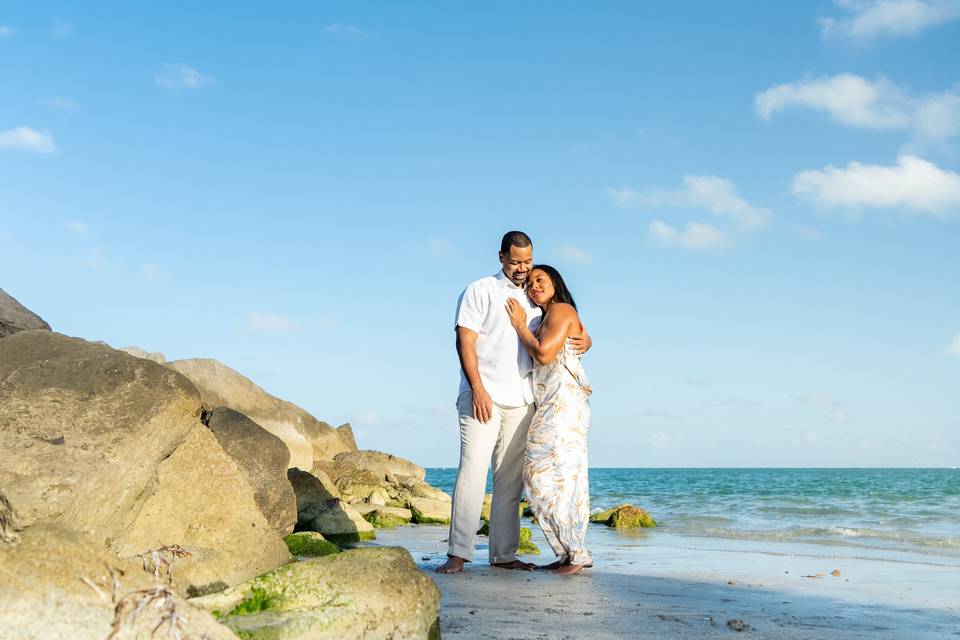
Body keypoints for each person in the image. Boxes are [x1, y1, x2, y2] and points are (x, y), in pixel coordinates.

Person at [437, 232, 591, 574]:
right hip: (483, 395)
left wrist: (586, 337)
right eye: (516, 261)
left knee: (509, 481)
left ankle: (503, 555)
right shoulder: (480, 290)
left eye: (528, 261)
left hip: (524, 400)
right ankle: (459, 553)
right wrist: (477, 388)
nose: (523, 269)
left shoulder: (536, 294)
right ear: (501, 257)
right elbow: (465, 341)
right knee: (473, 472)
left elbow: (565, 321)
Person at [506, 264, 593, 575]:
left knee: (548, 476)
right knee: (555, 477)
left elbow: (543, 354)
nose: (533, 287)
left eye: (539, 280)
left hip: (563, 405)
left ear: (555, 282)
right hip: (554, 403)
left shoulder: (560, 309)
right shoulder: (550, 316)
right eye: (529, 283)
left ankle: (576, 553)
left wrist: (519, 326)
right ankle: (568, 552)